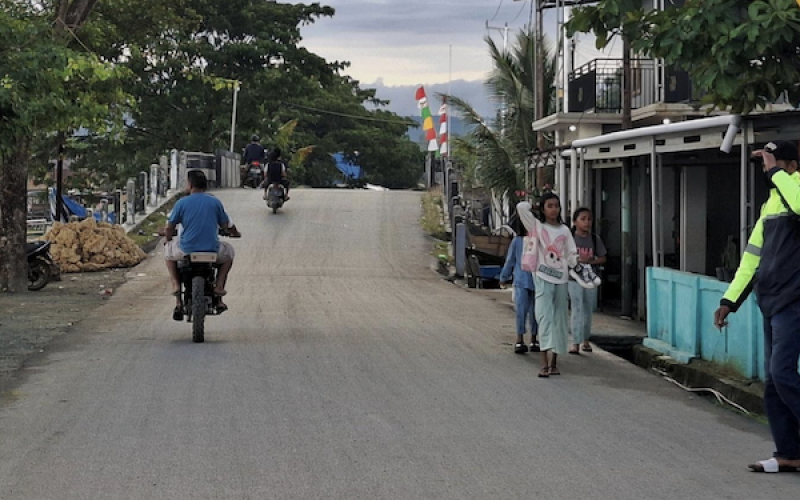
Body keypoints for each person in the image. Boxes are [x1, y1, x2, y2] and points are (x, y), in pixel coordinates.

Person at [713, 140, 800, 473]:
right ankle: (788, 452)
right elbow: (751, 259)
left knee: (782, 373)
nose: (766, 171)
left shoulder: (794, 190)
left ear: (789, 165)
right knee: (774, 382)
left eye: (770, 164)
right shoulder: (770, 205)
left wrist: (777, 172)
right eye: (764, 166)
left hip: (795, 300)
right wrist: (729, 301)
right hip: (771, 300)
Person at [517, 193, 578, 378]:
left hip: (561, 279)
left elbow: (571, 254)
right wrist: (535, 206)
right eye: (549, 205)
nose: (553, 209)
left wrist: (579, 265)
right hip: (543, 277)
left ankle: (554, 362)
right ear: (543, 208)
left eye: (556, 206)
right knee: (544, 317)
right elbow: (521, 207)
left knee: (560, 320)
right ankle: (543, 362)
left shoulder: (565, 230)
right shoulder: (537, 226)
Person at [164, 170, 240, 319]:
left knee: (168, 252)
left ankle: (176, 287)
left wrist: (167, 238)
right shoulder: (215, 202)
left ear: (190, 185)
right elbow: (226, 224)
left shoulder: (182, 203)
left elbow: (170, 227)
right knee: (229, 252)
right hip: (212, 251)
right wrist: (233, 233)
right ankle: (219, 287)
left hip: (186, 250)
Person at [568, 207, 607, 354]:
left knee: (588, 310)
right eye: (583, 219)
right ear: (575, 222)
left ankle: (585, 340)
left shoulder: (595, 240)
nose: (587, 222)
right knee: (576, 309)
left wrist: (591, 261)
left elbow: (603, 257)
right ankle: (575, 342)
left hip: (590, 279)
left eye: (589, 219)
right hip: (573, 278)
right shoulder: (570, 239)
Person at [499, 217, 539, 354]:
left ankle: (526, 339)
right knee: (529, 311)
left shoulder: (524, 241)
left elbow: (510, 261)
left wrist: (504, 277)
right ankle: (528, 339)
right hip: (529, 280)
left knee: (527, 311)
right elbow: (510, 261)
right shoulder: (525, 241)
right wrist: (504, 276)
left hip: (527, 279)